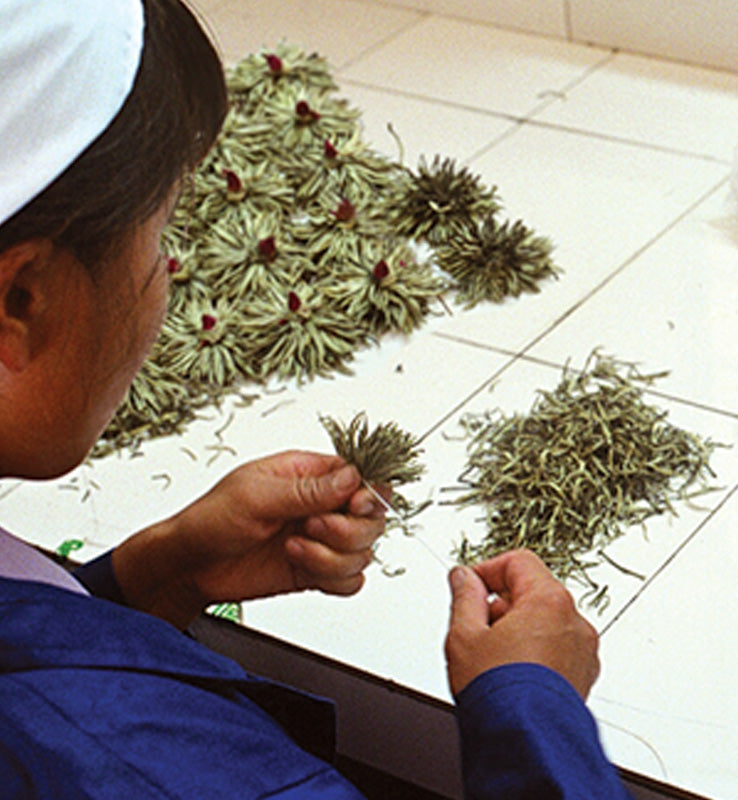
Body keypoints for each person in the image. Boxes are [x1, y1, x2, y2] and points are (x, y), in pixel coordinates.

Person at [0, 2, 631, 798]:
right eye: (159, 238)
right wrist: (537, 710)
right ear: (22, 300)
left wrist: (156, 577)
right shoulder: (149, 768)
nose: (170, 275)